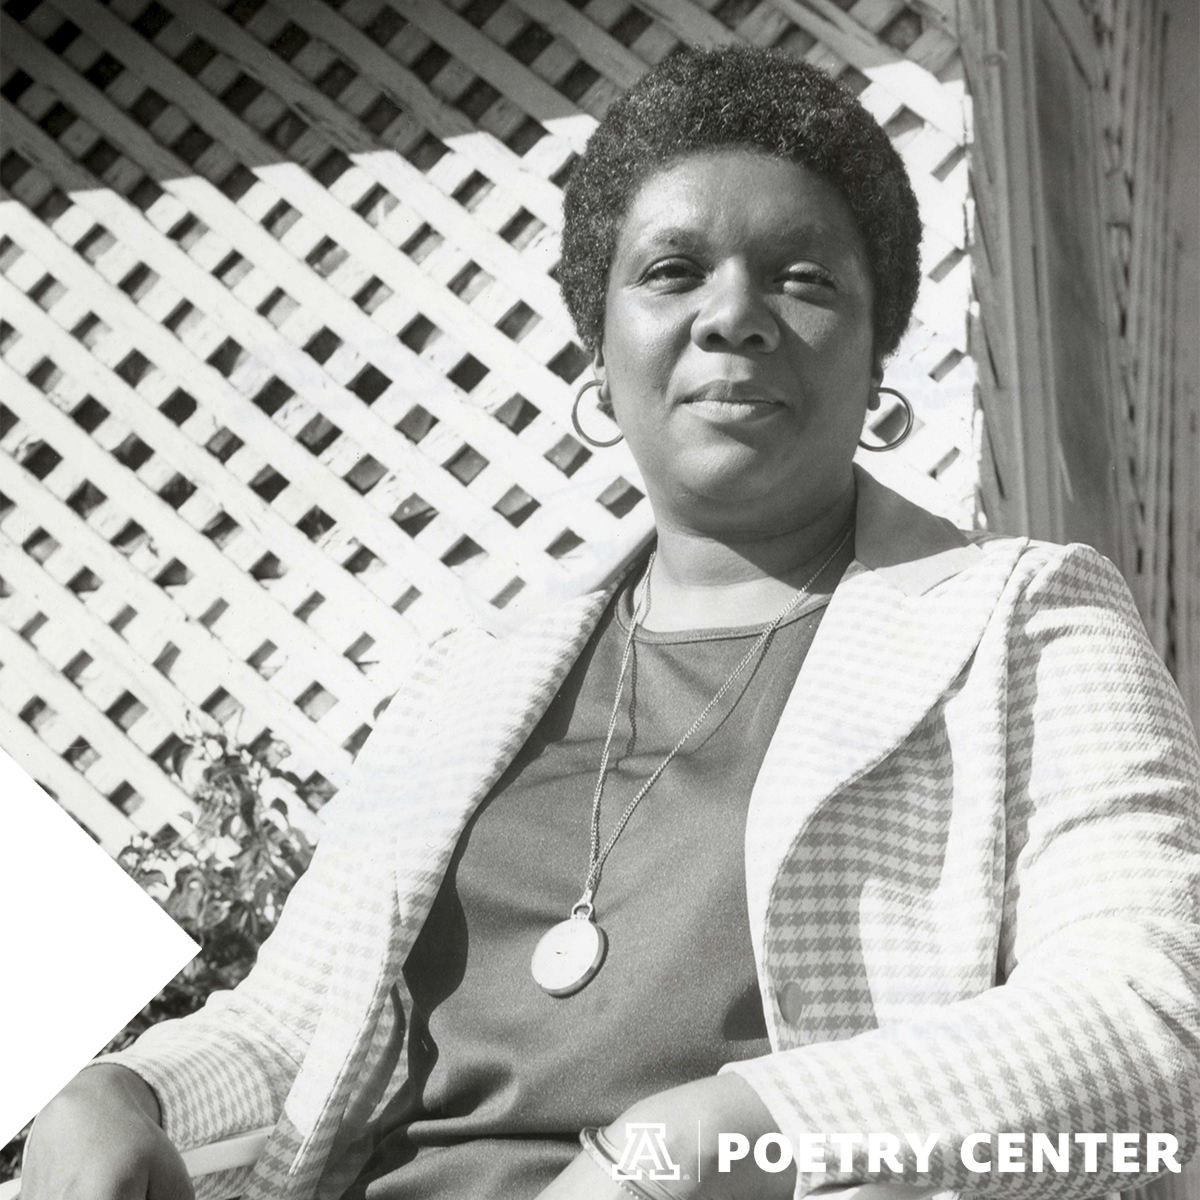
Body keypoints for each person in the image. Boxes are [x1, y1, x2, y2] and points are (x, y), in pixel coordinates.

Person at [21, 44, 1200, 1200]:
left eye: (804, 277)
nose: (733, 314)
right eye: (673, 270)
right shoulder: (476, 674)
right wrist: (128, 1090)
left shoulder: (1026, 620)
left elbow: (1149, 1016)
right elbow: (290, 1028)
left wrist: (719, 1144)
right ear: (601, 350)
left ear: (877, 353)